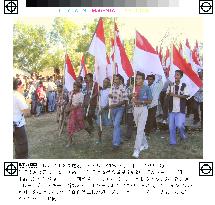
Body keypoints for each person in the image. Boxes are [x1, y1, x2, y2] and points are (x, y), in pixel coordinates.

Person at [131, 72, 152, 158]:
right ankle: (145, 144)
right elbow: (132, 98)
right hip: (135, 109)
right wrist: (132, 97)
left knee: (139, 130)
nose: (138, 80)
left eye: (139, 79)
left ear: (143, 80)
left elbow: (150, 100)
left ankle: (136, 149)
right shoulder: (134, 87)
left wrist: (141, 101)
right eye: (137, 78)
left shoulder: (147, 88)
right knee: (140, 129)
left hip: (143, 109)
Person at [166, 70, 189, 145]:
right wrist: (169, 94)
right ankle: (173, 142)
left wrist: (175, 95)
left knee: (179, 125)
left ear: (181, 76)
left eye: (178, 75)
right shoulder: (170, 85)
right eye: (175, 75)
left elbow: (186, 95)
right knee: (171, 127)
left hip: (180, 110)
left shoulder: (184, 85)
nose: (176, 76)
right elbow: (167, 94)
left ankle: (182, 135)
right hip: (172, 110)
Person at [13, 78, 31, 159]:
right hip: (18, 125)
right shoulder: (19, 96)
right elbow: (27, 113)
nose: (24, 87)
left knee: (17, 145)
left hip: (13, 124)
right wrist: (28, 103)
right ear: (19, 86)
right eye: (23, 85)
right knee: (22, 147)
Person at [109, 74, 127, 149]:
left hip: (120, 108)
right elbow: (112, 97)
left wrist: (115, 105)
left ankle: (116, 143)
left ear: (120, 80)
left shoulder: (124, 88)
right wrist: (110, 96)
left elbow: (125, 101)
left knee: (116, 124)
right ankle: (119, 139)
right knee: (116, 125)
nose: (115, 81)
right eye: (114, 79)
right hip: (112, 109)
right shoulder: (112, 87)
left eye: (116, 79)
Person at [66, 82, 85, 147]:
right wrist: (68, 107)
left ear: (79, 87)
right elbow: (70, 102)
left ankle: (88, 129)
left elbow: (79, 105)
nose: (74, 88)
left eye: (75, 87)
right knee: (70, 126)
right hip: (72, 111)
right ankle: (70, 141)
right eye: (73, 87)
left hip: (78, 111)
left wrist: (70, 109)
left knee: (80, 125)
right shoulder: (72, 93)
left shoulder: (81, 94)